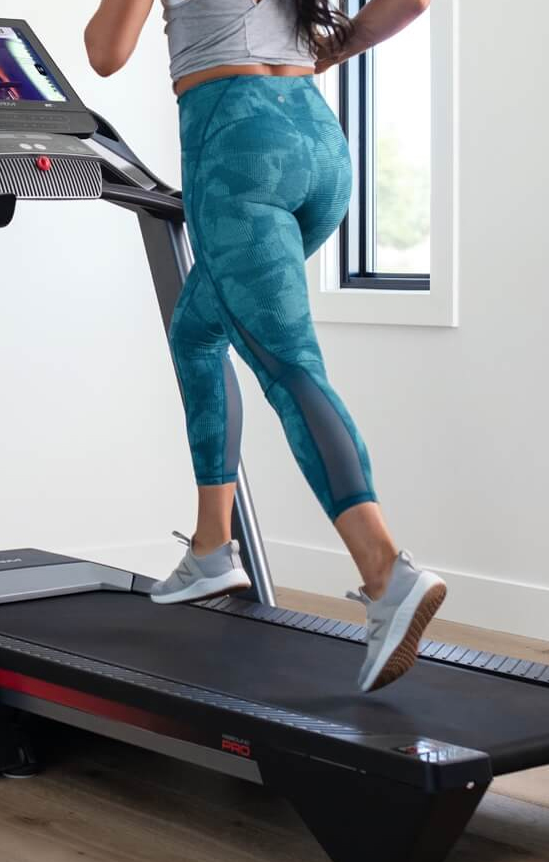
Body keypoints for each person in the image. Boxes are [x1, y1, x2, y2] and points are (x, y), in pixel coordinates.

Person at [85, 0, 439, 693]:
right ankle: (212, 548)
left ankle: (385, 570)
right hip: (314, 139)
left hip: (236, 146)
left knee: (286, 365)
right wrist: (330, 50)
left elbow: (104, 51)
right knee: (197, 332)